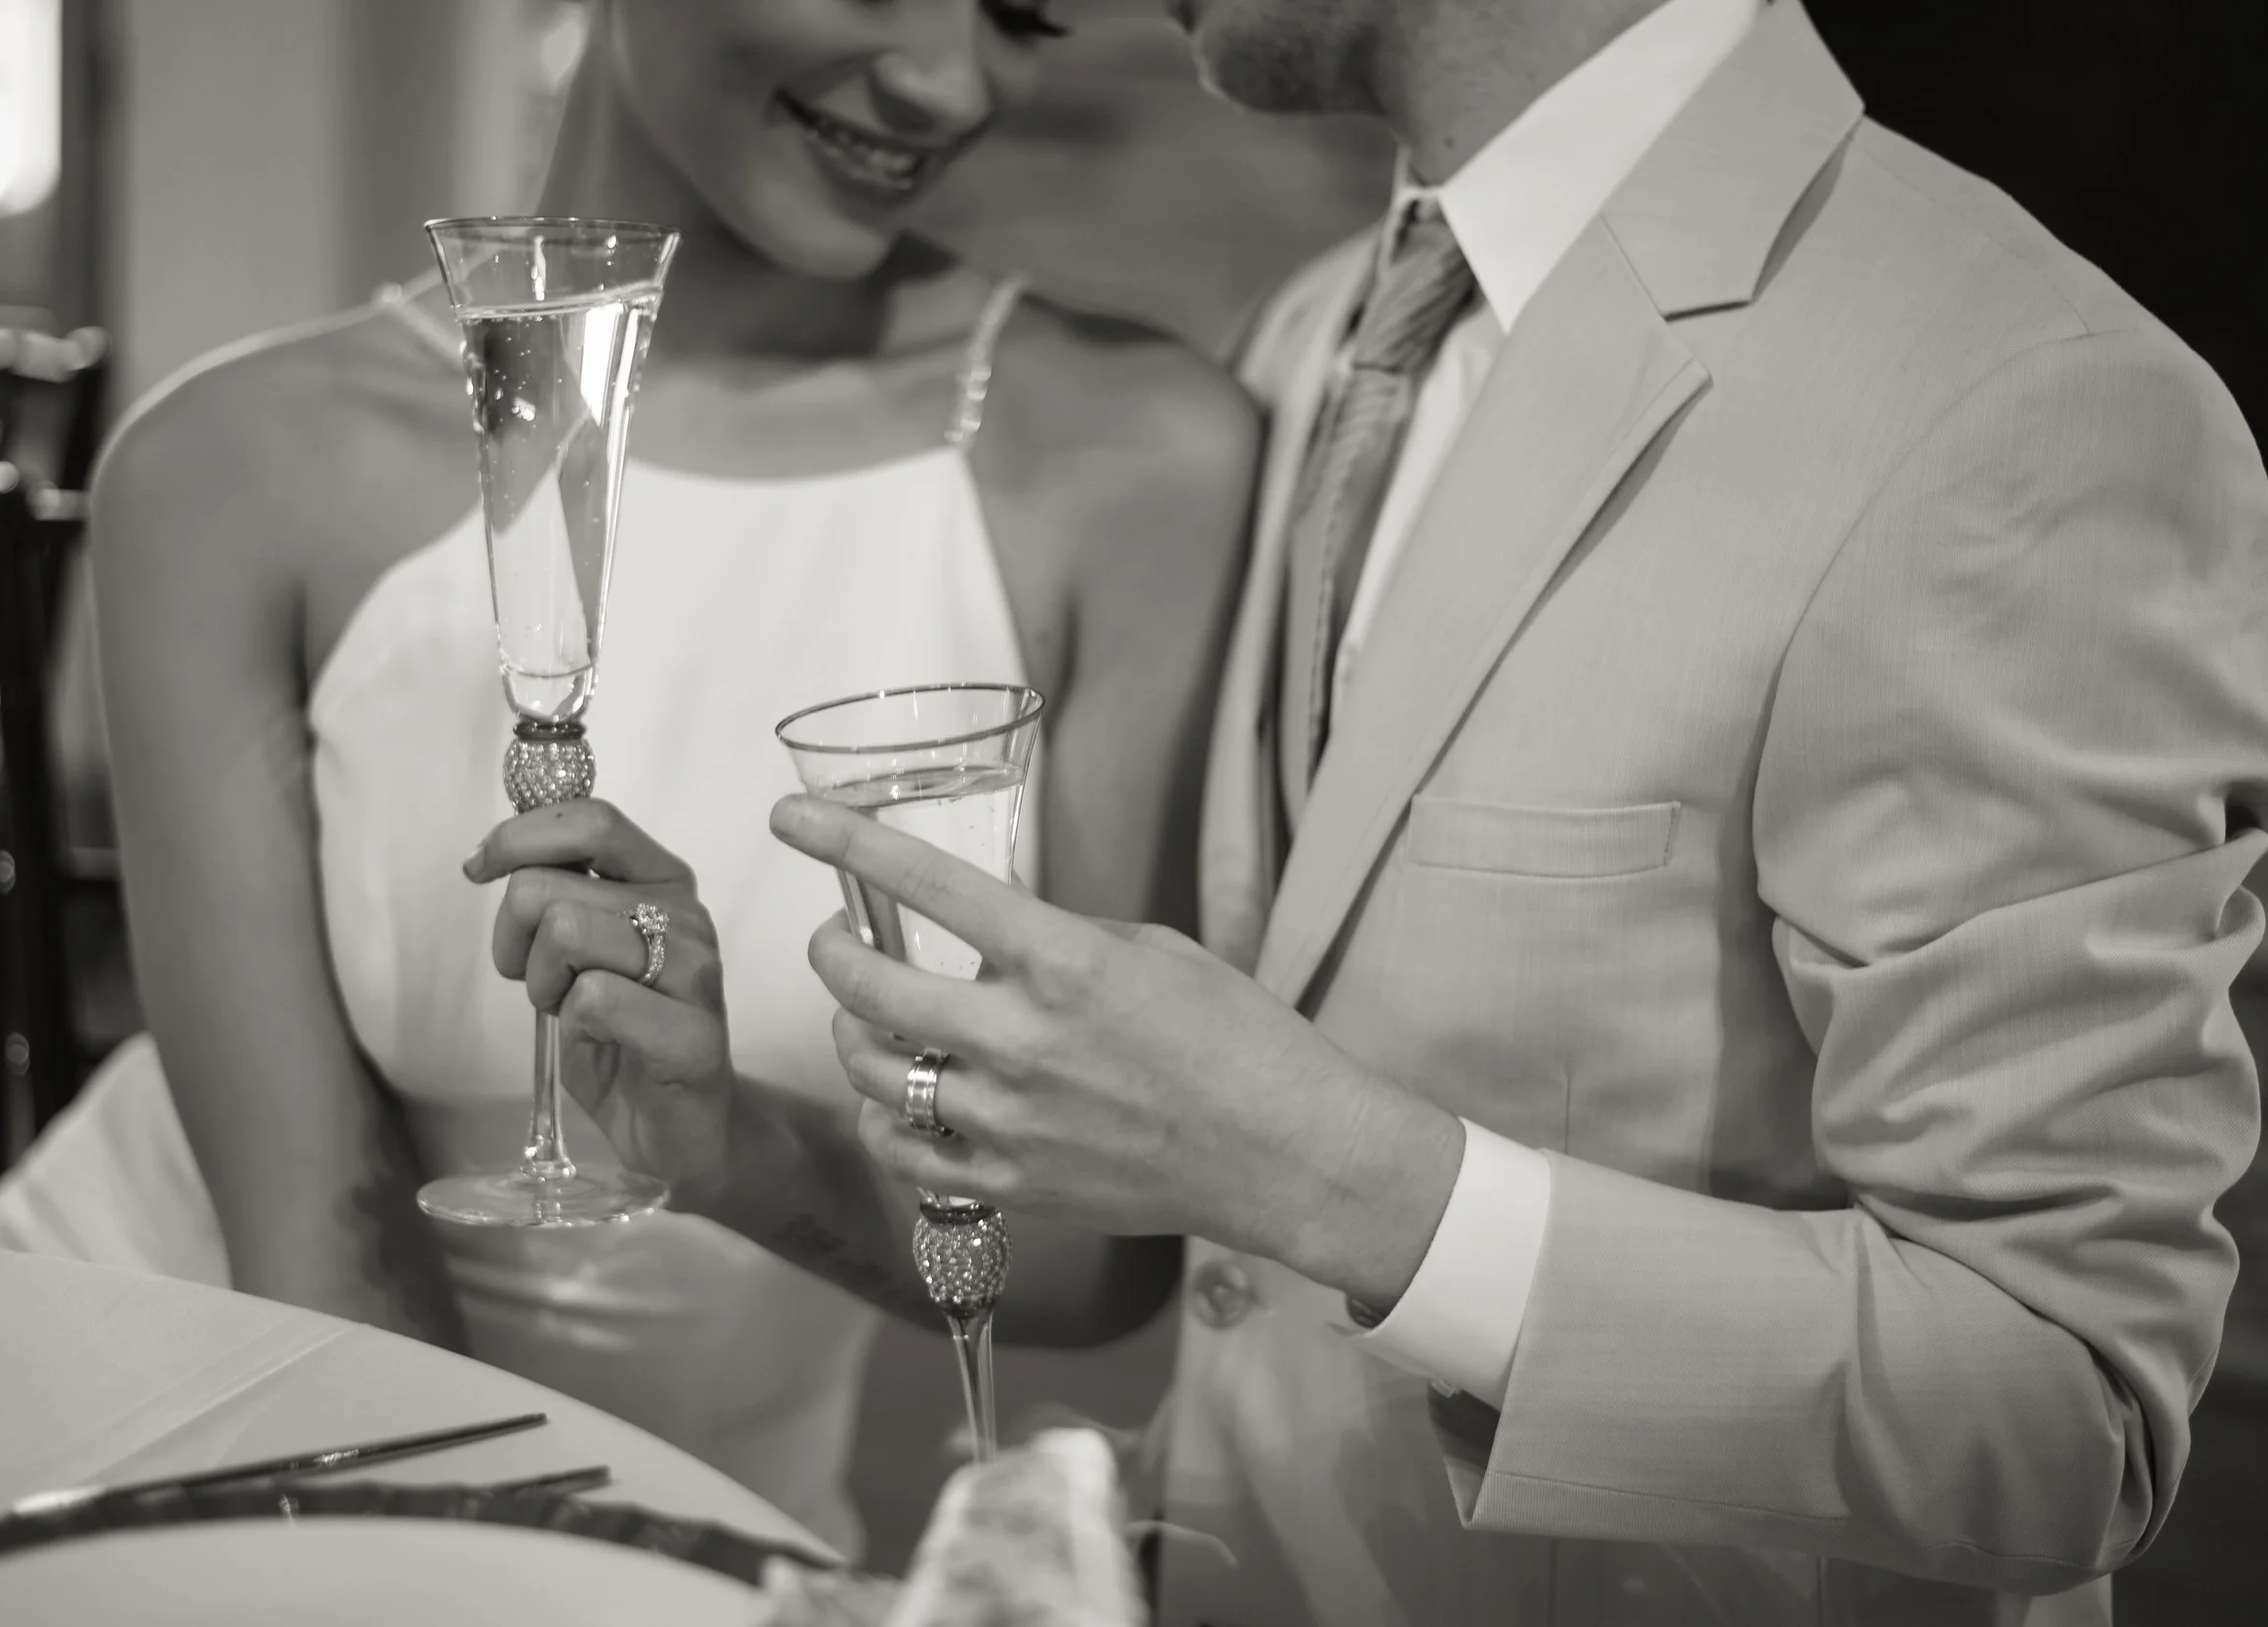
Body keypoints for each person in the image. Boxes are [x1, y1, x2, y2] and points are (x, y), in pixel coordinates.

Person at [489, 0, 2268, 1619]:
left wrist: (1344, 1177)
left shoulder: (2020, 401)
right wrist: (732, 1144)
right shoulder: (1319, 334)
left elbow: (2067, 1412)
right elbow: (1192, 1243)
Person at [0, 0, 1254, 1558]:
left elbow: (1088, 1251)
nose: (948, 81)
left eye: (1025, 14)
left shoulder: (1139, 461)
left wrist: (732, 1146)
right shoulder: (226, 467)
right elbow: (313, 1246)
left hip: (720, 1535)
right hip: (186, 1449)